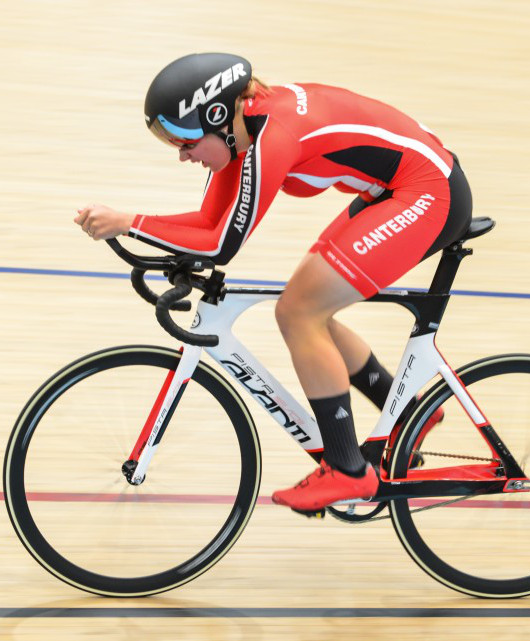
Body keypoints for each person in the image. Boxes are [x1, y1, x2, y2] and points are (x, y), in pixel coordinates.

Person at [75, 52, 472, 513]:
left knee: (301, 313)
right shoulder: (242, 132)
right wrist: (150, 237)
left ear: (217, 116)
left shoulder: (273, 137)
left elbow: (220, 244)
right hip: (394, 189)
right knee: (303, 308)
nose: (183, 155)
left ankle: (348, 469)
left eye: (185, 140)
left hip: (428, 192)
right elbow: (209, 221)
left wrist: (129, 222)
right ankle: (408, 412)